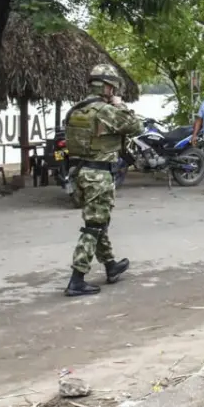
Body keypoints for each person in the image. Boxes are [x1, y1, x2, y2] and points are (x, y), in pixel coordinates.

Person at [63, 64, 143, 297]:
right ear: (108, 87)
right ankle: (77, 279)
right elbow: (135, 126)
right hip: (99, 175)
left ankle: (110, 266)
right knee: (93, 226)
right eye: (113, 88)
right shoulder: (105, 111)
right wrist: (121, 105)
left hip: (79, 172)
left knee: (99, 222)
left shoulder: (76, 110)